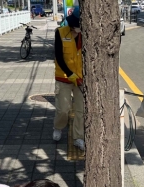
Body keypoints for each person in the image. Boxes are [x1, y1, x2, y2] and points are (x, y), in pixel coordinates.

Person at [53, 6, 85, 151]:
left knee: (80, 110)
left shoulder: (87, 35)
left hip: (81, 80)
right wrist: (69, 73)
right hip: (64, 78)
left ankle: (78, 137)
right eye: (74, 25)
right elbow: (59, 56)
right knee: (63, 109)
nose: (75, 28)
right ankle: (58, 127)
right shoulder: (60, 33)